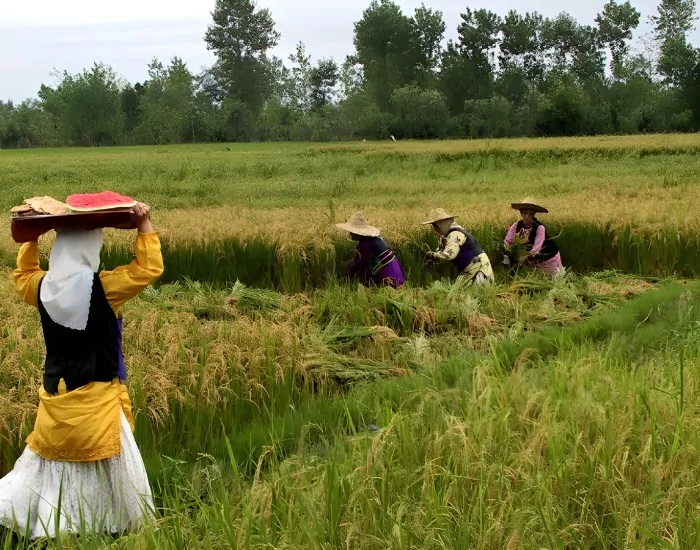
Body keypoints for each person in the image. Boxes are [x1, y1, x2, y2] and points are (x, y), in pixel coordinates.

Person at [0, 203, 164, 540]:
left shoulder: (41, 287)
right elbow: (148, 268)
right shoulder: (105, 288)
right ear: (91, 248)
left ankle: (53, 527)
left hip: (56, 405)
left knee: (54, 469)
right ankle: (103, 530)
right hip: (98, 407)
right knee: (109, 474)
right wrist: (143, 223)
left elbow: (23, 275)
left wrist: (31, 238)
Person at [422, 208, 494, 285]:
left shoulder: (455, 234)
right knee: (461, 293)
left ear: (442, 224)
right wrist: (433, 260)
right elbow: (441, 251)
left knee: (478, 294)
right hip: (469, 269)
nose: (435, 228)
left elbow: (449, 255)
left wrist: (433, 255)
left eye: (435, 225)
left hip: (479, 267)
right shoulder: (445, 237)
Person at [336, 212, 406, 288]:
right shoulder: (371, 239)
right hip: (392, 264)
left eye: (351, 232)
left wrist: (351, 270)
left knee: (389, 287)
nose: (350, 234)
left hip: (388, 268)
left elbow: (363, 262)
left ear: (356, 233)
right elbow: (361, 257)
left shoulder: (364, 243)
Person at [504, 197, 564, 278]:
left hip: (549, 259)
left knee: (554, 282)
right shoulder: (516, 225)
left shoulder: (540, 228)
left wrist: (524, 257)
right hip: (533, 262)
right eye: (525, 213)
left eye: (530, 214)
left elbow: (536, 249)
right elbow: (507, 241)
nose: (527, 217)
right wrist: (508, 255)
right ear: (521, 214)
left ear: (534, 215)